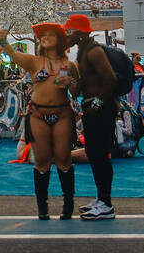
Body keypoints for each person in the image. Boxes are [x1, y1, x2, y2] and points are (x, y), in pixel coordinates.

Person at [0, 23, 79, 219]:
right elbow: (13, 54)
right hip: (38, 114)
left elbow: (76, 92)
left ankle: (68, 204)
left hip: (62, 114)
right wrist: (2, 40)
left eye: (51, 35)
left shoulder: (69, 65)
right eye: (43, 35)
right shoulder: (34, 62)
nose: (45, 37)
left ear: (59, 40)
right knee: (41, 160)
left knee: (63, 159)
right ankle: (43, 207)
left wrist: (71, 82)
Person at [64, 13, 117, 221]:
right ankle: (101, 199)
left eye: (70, 31)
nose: (67, 35)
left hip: (101, 110)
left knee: (101, 155)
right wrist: (72, 83)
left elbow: (110, 80)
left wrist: (97, 103)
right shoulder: (82, 53)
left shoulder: (94, 52)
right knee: (95, 155)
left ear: (80, 33)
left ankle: (106, 204)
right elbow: (80, 89)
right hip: (92, 109)